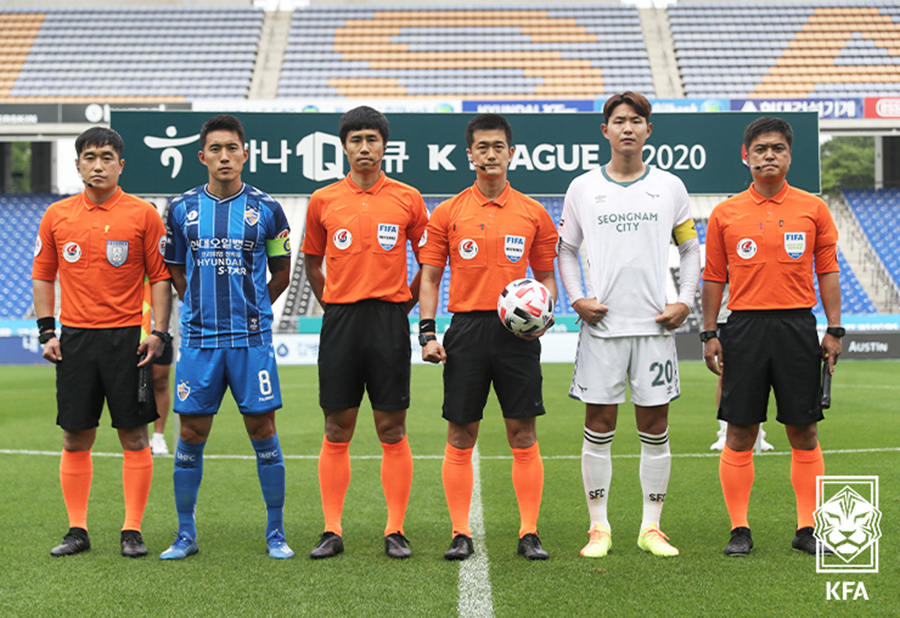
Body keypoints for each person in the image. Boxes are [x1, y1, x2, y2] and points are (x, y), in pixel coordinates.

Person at [557, 91, 700, 558]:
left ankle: (650, 528)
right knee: (598, 424)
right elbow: (566, 249)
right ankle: (599, 528)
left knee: (655, 426)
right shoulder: (583, 187)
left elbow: (689, 249)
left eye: (636, 120)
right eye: (619, 120)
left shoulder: (670, 187)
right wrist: (576, 298)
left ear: (648, 130)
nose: (627, 128)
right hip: (602, 329)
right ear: (605, 130)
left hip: (655, 327)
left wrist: (685, 300)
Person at [419, 113, 558, 561]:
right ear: (469, 154)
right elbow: (430, 277)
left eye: (498, 146)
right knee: (461, 433)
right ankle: (460, 532)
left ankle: (529, 532)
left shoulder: (534, 213)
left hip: (517, 336)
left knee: (523, 432)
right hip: (466, 331)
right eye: (482, 147)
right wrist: (427, 333)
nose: (491, 154)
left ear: (511, 153)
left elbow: (546, 277)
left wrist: (544, 314)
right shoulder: (448, 212)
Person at [702, 116, 842, 557]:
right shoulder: (725, 212)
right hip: (744, 328)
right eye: (760, 149)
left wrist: (834, 329)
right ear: (746, 156)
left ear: (789, 156)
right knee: (740, 432)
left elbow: (827, 271)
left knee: (804, 431)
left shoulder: (813, 208)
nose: (768, 156)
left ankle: (807, 528)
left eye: (777, 148)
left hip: (797, 327)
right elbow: (713, 277)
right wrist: (709, 332)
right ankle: (739, 529)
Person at [32, 127, 171, 558]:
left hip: (127, 339)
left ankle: (132, 530)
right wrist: (47, 331)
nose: (98, 165)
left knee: (135, 436)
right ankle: (77, 529)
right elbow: (43, 274)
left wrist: (159, 332)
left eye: (106, 157)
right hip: (75, 340)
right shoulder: (57, 215)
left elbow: (160, 277)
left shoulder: (143, 214)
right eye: (89, 157)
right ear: (77, 164)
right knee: (76, 437)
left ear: (120, 165)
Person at [161, 114, 293, 560]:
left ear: (245, 154)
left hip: (250, 342)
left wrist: (255, 310)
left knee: (263, 428)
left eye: (231, 148)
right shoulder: (180, 209)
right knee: (191, 431)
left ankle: (275, 532)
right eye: (215, 149)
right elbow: (174, 269)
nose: (224, 156)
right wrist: (198, 306)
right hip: (200, 341)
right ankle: (185, 533)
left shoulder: (268, 209)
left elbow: (281, 272)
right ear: (202, 156)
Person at [302, 106, 428, 559]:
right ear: (344, 147)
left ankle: (395, 530)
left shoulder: (408, 198)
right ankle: (331, 530)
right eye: (355, 140)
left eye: (372, 139)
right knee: (337, 425)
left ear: (384, 145)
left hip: (389, 320)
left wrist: (403, 306)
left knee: (391, 426)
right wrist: (333, 304)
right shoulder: (323, 200)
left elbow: (430, 263)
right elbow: (312, 262)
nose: (364, 148)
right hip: (341, 321)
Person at [709, 283, 773, 452]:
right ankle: (725, 431)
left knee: (761, 373)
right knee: (726, 374)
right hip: (727, 315)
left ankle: (758, 432)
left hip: (759, 312)